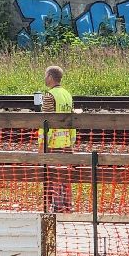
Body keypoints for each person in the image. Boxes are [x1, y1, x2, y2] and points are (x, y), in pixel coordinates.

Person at [39, 64, 76, 213]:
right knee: (65, 177)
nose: (44, 78)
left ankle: (58, 206)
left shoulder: (50, 96)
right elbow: (72, 120)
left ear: (50, 77)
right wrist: (72, 140)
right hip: (66, 142)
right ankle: (67, 205)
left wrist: (42, 143)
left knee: (54, 176)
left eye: (45, 75)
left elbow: (45, 121)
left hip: (53, 143)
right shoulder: (67, 94)